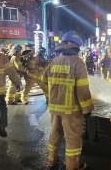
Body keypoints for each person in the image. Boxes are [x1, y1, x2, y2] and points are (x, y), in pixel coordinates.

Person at [42, 31, 94, 170]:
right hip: (71, 109)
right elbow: (82, 89)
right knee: (73, 137)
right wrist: (88, 108)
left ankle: (51, 159)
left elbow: (43, 79)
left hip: (54, 108)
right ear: (76, 46)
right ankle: (72, 165)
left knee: (55, 133)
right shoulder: (78, 62)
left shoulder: (54, 61)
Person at [0, 35, 21, 141]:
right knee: (2, 108)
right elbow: (11, 71)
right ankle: (1, 125)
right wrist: (17, 82)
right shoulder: (2, 57)